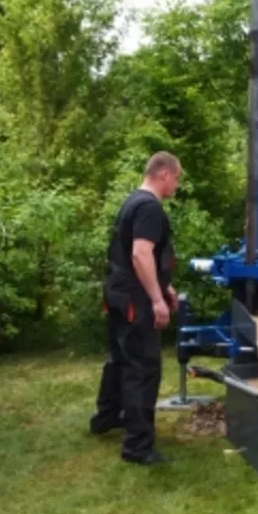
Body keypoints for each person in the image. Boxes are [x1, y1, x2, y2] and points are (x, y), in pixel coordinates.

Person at [89, 151, 182, 464]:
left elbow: (133, 254)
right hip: (135, 300)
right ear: (164, 174)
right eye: (176, 178)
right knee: (142, 369)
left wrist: (165, 285)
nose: (176, 185)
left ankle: (106, 417)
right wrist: (157, 300)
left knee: (118, 359)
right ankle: (138, 446)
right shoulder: (150, 208)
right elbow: (141, 255)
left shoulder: (131, 202)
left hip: (117, 293)